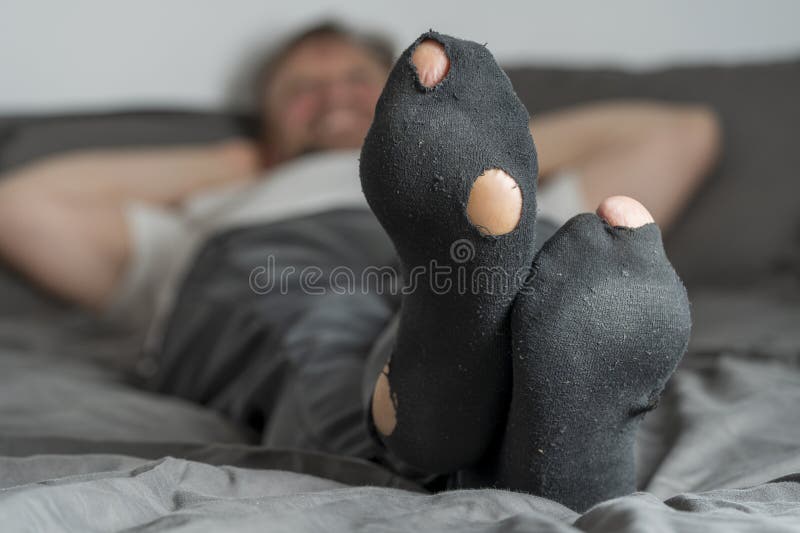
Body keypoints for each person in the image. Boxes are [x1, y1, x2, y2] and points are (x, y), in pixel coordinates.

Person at [0, 22, 719, 511]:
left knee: (537, 270)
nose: (335, 95)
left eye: (355, 80)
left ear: (389, 97)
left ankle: (420, 408)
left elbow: (685, 131)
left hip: (468, 223)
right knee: (322, 314)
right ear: (263, 123)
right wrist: (247, 162)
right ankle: (551, 453)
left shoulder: (491, 182)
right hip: (289, 246)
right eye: (301, 92)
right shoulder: (219, 199)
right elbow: (17, 206)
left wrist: (485, 144)